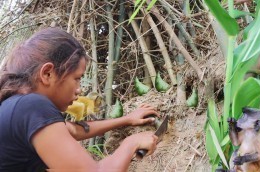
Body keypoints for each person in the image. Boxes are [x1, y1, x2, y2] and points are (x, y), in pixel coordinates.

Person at [0, 27, 159, 172]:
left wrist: (126, 120)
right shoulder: (32, 106)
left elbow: (75, 130)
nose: (79, 89)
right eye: (77, 78)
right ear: (47, 74)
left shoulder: (14, 107)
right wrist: (131, 143)